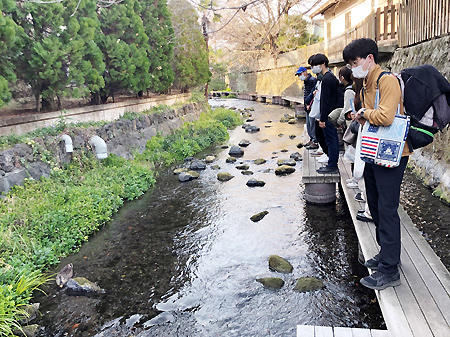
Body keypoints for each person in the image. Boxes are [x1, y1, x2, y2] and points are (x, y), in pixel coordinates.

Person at [343, 38, 412, 290]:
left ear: (370, 58)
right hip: (374, 151)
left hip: (394, 155)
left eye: (355, 62)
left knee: (387, 208)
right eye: (350, 64)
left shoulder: (387, 80)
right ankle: (386, 255)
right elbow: (372, 118)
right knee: (374, 204)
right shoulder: (364, 85)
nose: (353, 68)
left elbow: (385, 115)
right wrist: (359, 116)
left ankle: (390, 270)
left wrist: (363, 114)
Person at [309, 53, 340, 174]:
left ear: (323, 64)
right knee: (322, 137)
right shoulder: (325, 77)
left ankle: (332, 165)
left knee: (331, 139)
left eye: (316, 65)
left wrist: (322, 118)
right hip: (327, 113)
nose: (313, 68)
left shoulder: (327, 79)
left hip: (328, 114)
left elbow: (326, 100)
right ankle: (330, 160)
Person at [295, 66, 318, 149]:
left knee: (312, 124)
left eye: (300, 74)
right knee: (308, 124)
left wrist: (309, 104)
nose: (299, 76)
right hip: (307, 106)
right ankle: (312, 139)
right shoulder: (306, 81)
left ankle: (314, 140)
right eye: (298, 75)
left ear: (305, 72)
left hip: (310, 106)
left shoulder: (312, 81)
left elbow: (312, 94)